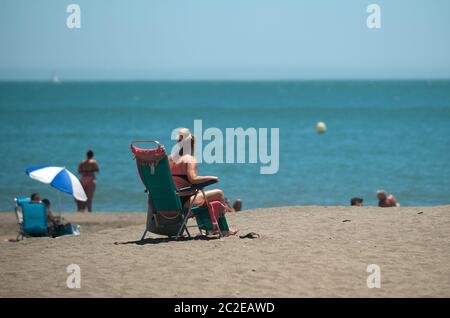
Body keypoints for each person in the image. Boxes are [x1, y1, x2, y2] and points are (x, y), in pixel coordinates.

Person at [168, 128, 240, 236]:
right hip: (185, 202)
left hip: (172, 201)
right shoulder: (190, 159)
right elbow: (193, 178)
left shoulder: (169, 159)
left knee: (203, 195)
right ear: (192, 145)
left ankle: (211, 228)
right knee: (218, 193)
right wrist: (211, 178)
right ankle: (224, 230)